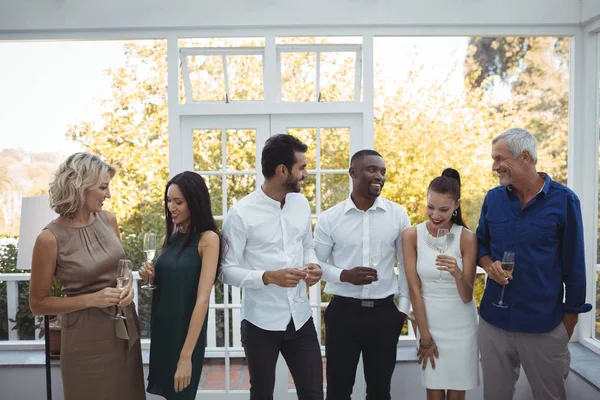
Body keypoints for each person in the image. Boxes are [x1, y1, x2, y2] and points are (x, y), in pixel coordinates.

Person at [476, 128, 592, 400]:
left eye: (499, 159)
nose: (494, 167)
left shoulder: (564, 201)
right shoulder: (493, 199)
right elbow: (480, 244)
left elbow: (574, 267)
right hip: (494, 322)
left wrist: (566, 327)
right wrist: (488, 262)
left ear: (524, 157)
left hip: (544, 326)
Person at [29, 152, 145, 400]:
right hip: (85, 341)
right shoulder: (48, 239)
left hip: (123, 331)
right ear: (80, 186)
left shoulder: (109, 220)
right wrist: (93, 299)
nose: (109, 194)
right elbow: (38, 304)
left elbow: (121, 268)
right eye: (103, 187)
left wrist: (129, 286)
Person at [219, 134, 324, 400]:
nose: (305, 173)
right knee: (262, 393)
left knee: (313, 393)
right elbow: (225, 270)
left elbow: (308, 246)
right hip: (260, 323)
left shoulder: (301, 204)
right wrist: (268, 277)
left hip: (300, 319)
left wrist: (313, 266)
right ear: (282, 171)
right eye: (301, 167)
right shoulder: (240, 214)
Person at [314, 149, 410, 400]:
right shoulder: (330, 218)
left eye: (382, 171)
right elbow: (314, 264)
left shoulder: (398, 215)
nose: (379, 175)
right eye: (372, 169)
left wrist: (402, 310)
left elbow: (408, 266)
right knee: (338, 389)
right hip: (343, 314)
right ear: (353, 172)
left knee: (380, 391)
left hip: (385, 315)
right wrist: (344, 275)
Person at [139, 171, 223, 399]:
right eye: (168, 201)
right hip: (163, 330)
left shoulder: (208, 239)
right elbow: (169, 281)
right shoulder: (172, 237)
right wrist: (149, 275)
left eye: (178, 202)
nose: (171, 207)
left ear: (195, 202)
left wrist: (186, 356)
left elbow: (203, 300)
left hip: (184, 335)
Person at [402, 168, 479, 400]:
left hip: (461, 327)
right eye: (430, 207)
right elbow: (415, 291)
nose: (435, 215)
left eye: (443, 209)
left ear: (456, 206)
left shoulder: (467, 238)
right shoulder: (411, 236)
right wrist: (425, 338)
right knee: (434, 394)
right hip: (429, 323)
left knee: (456, 395)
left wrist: (457, 273)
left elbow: (467, 296)